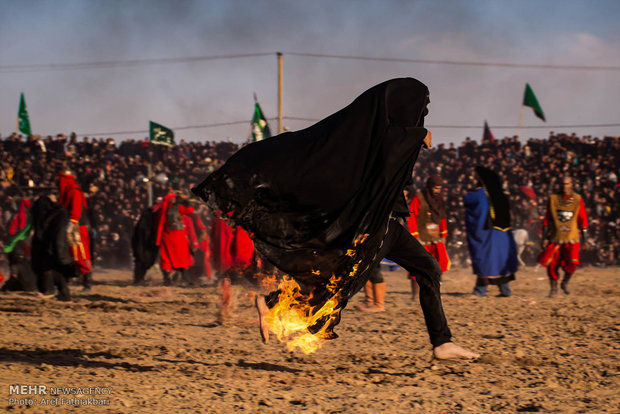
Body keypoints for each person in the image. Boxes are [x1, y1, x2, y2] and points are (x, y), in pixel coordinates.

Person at [194, 78, 479, 359]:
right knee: (342, 280)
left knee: (417, 269)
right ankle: (274, 303)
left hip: (386, 222)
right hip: (374, 226)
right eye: (421, 107)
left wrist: (413, 138)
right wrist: (417, 136)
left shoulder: (384, 135)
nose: (423, 114)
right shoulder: (378, 137)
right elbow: (389, 151)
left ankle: (442, 342)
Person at [464, 167, 518, 297]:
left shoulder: (480, 194)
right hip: (503, 234)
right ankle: (505, 290)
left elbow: (467, 200)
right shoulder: (501, 194)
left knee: (486, 260)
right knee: (501, 260)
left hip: (488, 234)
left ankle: (480, 290)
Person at [537, 176, 588, 297]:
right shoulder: (553, 199)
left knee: (573, 262)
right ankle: (553, 289)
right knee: (552, 265)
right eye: (562, 184)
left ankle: (565, 282)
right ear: (559, 185)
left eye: (567, 184)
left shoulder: (577, 199)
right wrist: (544, 237)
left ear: (571, 184)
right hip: (555, 237)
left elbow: (583, 220)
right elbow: (547, 219)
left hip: (572, 238)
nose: (565, 186)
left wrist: (585, 240)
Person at [407, 175, 450, 298]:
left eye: (439, 188)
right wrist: (415, 236)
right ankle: (415, 295)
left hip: (436, 238)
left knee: (438, 266)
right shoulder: (418, 199)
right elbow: (412, 217)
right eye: (436, 188)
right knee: (417, 267)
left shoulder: (439, 200)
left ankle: (434, 292)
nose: (438, 191)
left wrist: (444, 235)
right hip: (421, 238)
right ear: (430, 187)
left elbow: (442, 218)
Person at [30, 195, 74, 301]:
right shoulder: (56, 211)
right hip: (52, 244)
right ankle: (63, 293)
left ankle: (49, 291)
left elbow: (54, 231)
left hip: (51, 244)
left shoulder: (51, 211)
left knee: (48, 267)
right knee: (54, 267)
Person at [58, 170, 93, 291]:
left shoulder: (75, 191)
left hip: (77, 228)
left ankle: (87, 283)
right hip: (74, 226)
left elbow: (76, 210)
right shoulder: (70, 191)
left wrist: (71, 223)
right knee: (73, 253)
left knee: (80, 254)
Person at [155, 192, 195, 286]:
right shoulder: (178, 208)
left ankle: (167, 278)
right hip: (178, 235)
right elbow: (190, 210)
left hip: (166, 235)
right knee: (182, 256)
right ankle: (185, 278)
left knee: (166, 258)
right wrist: (186, 200)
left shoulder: (162, 210)